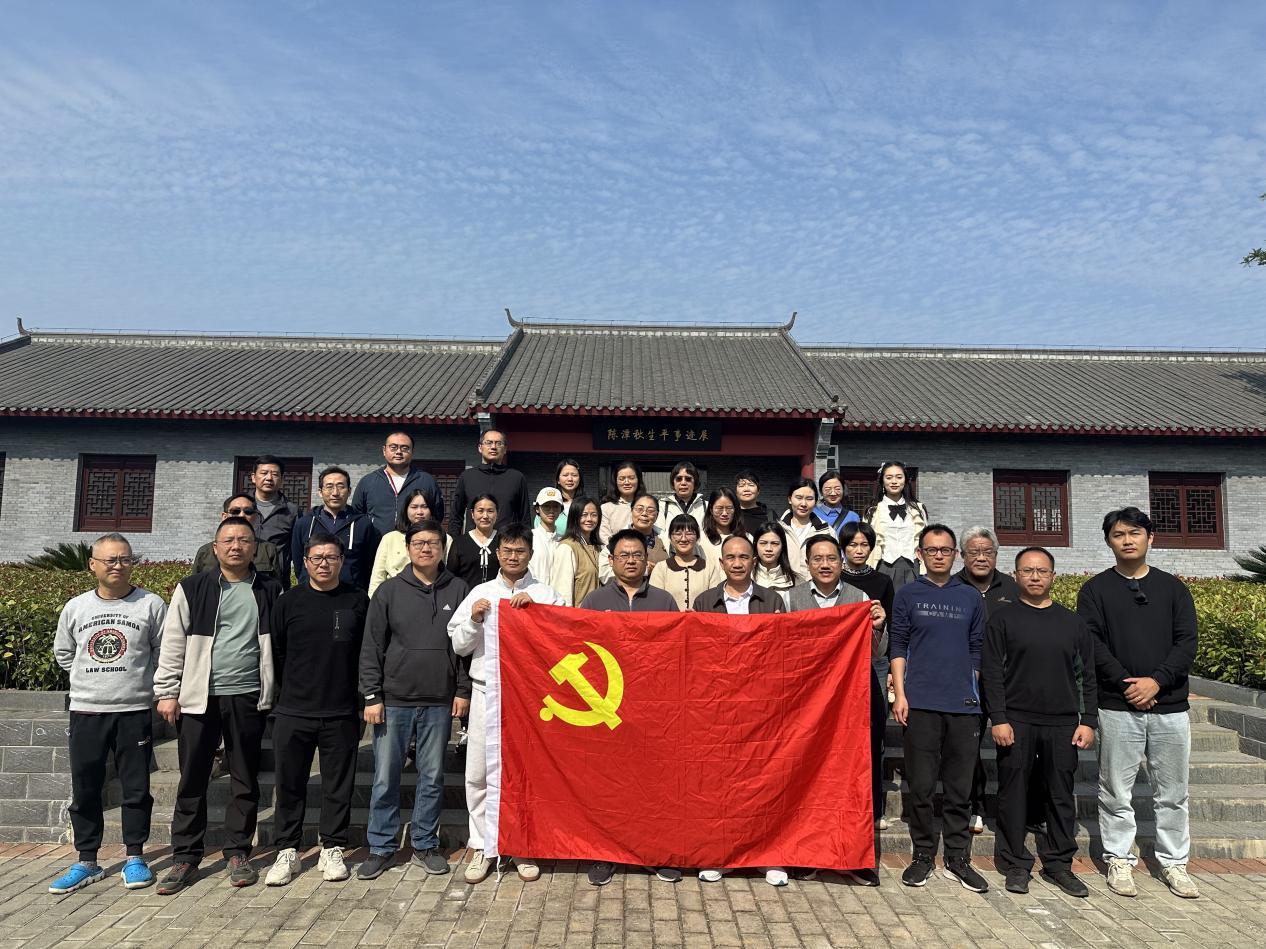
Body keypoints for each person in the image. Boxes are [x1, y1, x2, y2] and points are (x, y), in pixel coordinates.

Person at [152, 517, 284, 895]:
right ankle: (185, 856)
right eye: (228, 540)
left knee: (244, 777)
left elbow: (280, 643)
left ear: (255, 547)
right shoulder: (193, 587)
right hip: (198, 697)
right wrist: (167, 691)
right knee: (192, 778)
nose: (236, 546)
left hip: (248, 696)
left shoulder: (270, 588)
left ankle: (238, 852)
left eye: (244, 540)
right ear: (215, 548)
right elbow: (173, 642)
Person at [1077, 506, 1199, 900]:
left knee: (1173, 791)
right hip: (1117, 705)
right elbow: (1092, 644)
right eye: (1118, 534)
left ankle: (1174, 863)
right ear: (1108, 541)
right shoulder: (1095, 591)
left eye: (1134, 533)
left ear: (1150, 538)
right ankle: (1119, 858)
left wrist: (1156, 681)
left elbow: (1187, 642)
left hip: (1170, 706)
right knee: (1115, 789)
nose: (1127, 540)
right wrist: (1128, 684)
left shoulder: (1173, 589)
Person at [48, 533, 166, 895]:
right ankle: (87, 861)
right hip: (86, 711)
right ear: (93, 565)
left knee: (136, 788)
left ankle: (135, 857)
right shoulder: (76, 607)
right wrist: (92, 680)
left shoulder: (151, 604)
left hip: (133, 711)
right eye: (110, 560)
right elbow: (64, 653)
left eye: (125, 559)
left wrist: (144, 685)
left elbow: (163, 652)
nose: (118, 566)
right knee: (85, 787)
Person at [449, 524, 563, 885]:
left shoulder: (546, 594)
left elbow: (563, 640)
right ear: (497, 553)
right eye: (507, 551)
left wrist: (538, 614)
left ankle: (523, 845)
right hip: (487, 690)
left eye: (520, 551)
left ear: (531, 554)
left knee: (527, 771)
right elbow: (458, 644)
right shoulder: (481, 592)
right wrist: (474, 619)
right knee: (479, 771)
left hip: (530, 696)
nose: (513, 557)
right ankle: (483, 845)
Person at [358, 520, 472, 881]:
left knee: (433, 776)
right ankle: (381, 846)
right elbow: (372, 646)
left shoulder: (459, 588)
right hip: (394, 699)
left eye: (433, 542)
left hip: (439, 699)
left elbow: (466, 647)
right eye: (419, 543)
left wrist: (462, 690)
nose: (426, 548)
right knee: (385, 777)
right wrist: (372, 695)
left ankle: (425, 843)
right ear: (408, 548)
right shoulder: (389, 591)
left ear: (443, 548)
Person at [983, 547, 1097, 898]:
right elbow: (992, 673)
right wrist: (998, 718)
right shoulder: (1002, 620)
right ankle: (1015, 863)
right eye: (1028, 571)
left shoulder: (1072, 623)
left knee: (1060, 794)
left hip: (1062, 723)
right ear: (1015, 575)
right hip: (1016, 720)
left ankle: (1059, 864)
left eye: (1042, 571)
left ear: (1053, 576)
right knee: (1013, 793)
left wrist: (1088, 720)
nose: (1035, 576)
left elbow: (1087, 676)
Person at [264, 534, 370, 887]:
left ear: (342, 560)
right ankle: (287, 850)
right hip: (294, 709)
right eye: (317, 558)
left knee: (338, 785)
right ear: (305, 563)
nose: (324, 563)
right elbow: (277, 651)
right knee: (289, 784)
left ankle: (333, 847)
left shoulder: (357, 600)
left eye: (331, 557)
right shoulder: (288, 601)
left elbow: (365, 651)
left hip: (340, 709)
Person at [889, 524, 989, 893]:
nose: (939, 555)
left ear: (955, 555)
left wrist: (969, 686)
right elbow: (898, 644)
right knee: (921, 786)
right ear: (920, 554)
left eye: (946, 550)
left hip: (963, 706)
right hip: (920, 703)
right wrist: (901, 694)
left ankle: (958, 858)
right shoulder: (908, 594)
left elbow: (977, 648)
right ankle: (922, 855)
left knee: (960, 788)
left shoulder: (970, 596)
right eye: (931, 550)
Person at [580, 529, 680, 887]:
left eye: (637, 554)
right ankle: (605, 854)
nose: (631, 560)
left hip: (653, 709)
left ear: (647, 559)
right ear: (611, 560)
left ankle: (655, 853)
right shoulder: (594, 601)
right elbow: (581, 650)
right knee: (609, 786)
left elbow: (677, 652)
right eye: (623, 555)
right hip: (609, 710)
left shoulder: (664, 601)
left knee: (654, 785)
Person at [787, 534, 887, 887]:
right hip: (806, 703)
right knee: (807, 775)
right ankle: (807, 854)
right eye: (817, 559)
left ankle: (853, 856)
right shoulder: (791, 599)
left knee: (850, 776)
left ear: (842, 562)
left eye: (831, 558)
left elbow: (875, 653)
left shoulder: (859, 599)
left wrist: (878, 627)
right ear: (807, 564)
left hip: (848, 703)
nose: (825, 564)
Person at [693, 533, 787, 886]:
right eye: (730, 557)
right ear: (721, 563)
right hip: (717, 708)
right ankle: (720, 854)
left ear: (754, 561)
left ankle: (768, 856)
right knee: (720, 784)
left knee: (764, 782)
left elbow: (784, 652)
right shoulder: (705, 601)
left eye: (743, 557)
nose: (736, 563)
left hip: (762, 707)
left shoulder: (772, 600)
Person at [957, 526, 1023, 835]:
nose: (981, 558)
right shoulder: (953, 587)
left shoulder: (1012, 588)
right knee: (967, 748)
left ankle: (1015, 810)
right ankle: (976, 806)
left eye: (988, 552)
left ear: (996, 555)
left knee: (1011, 748)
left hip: (1007, 681)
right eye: (974, 552)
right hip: (964, 680)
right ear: (962, 555)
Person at [838, 521, 896, 830]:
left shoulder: (882, 581)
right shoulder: (834, 578)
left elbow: (890, 624)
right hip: (840, 666)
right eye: (852, 545)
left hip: (874, 662)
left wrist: (891, 669)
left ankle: (875, 809)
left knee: (875, 736)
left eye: (864, 545)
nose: (858, 550)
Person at [292, 467, 380, 591]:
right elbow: (298, 562)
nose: (335, 493)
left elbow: (369, 563)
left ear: (349, 491)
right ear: (320, 492)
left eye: (340, 486)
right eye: (329, 486)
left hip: (350, 593)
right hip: (311, 593)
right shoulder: (305, 523)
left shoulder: (363, 524)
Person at [350, 431, 445, 535]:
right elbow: (357, 515)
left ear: (412, 452)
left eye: (404, 448)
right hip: (376, 542)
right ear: (384, 450)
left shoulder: (426, 481)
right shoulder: (368, 481)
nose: (399, 452)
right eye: (393, 447)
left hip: (415, 541)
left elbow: (437, 514)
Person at [369, 487, 450, 596]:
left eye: (425, 507)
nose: (419, 512)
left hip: (432, 595)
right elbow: (377, 577)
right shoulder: (390, 538)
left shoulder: (445, 539)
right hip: (394, 596)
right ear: (406, 509)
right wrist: (375, 601)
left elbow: (448, 573)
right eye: (414, 507)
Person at [190, 494, 285, 585]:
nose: (242, 515)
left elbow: (276, 587)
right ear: (224, 516)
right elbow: (195, 586)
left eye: (248, 511)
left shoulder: (268, 550)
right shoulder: (205, 551)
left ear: (255, 517)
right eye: (235, 511)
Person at [451, 430, 530, 532]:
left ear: (505, 449)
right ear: (480, 448)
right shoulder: (467, 477)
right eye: (489, 443)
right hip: (474, 540)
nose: (493, 447)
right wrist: (454, 539)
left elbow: (524, 518)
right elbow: (456, 515)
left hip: (506, 540)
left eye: (498, 443)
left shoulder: (517, 478)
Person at [866, 461, 928, 590]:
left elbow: (926, 541)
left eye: (899, 477)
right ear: (882, 481)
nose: (894, 481)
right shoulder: (872, 511)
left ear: (905, 480)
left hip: (914, 568)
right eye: (889, 477)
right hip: (883, 567)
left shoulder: (918, 509)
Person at [649, 514, 722, 611]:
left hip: (701, 620)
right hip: (669, 620)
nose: (683, 539)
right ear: (670, 538)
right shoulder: (661, 568)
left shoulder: (709, 568)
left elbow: (714, 602)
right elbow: (655, 602)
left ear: (697, 537)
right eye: (678, 533)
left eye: (689, 533)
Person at [246, 454, 299, 582]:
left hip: (276, 580)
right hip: (242, 575)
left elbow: (298, 549)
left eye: (275, 474)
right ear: (253, 477)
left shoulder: (292, 511)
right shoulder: (241, 507)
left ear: (282, 479)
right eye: (264, 473)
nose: (269, 478)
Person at [550, 496, 610, 606]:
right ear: (574, 517)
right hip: (578, 613)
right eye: (584, 515)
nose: (589, 519)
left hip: (597, 612)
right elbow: (562, 592)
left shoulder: (598, 548)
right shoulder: (567, 547)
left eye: (594, 515)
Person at [778, 478, 833, 582]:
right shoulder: (777, 530)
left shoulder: (827, 531)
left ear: (815, 501)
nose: (803, 504)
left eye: (809, 499)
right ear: (790, 499)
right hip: (783, 587)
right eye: (799, 498)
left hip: (815, 587)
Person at [445, 494, 500, 588]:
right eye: (480, 511)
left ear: (497, 513)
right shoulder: (459, 542)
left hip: (497, 595)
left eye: (490, 511)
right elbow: (451, 575)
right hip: (466, 595)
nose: (485, 516)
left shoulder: (503, 541)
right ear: (472, 513)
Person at [752, 521, 802, 608]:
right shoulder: (745, 578)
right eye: (763, 543)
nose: (768, 549)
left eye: (774, 543)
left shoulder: (797, 582)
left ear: (783, 546)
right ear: (755, 545)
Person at [654, 461, 707, 537]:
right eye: (679, 479)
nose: (683, 483)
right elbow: (659, 534)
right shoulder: (662, 505)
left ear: (695, 482)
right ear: (673, 482)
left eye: (688, 479)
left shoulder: (706, 506)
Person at [695, 487, 745, 568]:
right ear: (711, 510)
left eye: (729, 508)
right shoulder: (700, 539)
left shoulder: (746, 538)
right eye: (719, 508)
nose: (724, 513)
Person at [599, 460, 644, 546]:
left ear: (638, 480)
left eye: (631, 478)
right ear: (615, 481)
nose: (626, 482)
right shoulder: (606, 508)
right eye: (622, 479)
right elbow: (604, 538)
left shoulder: (648, 505)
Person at [534, 458, 584, 535]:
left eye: (574, 475)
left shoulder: (586, 505)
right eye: (565, 475)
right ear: (558, 480)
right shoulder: (545, 503)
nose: (570, 479)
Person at [529, 487, 564, 582]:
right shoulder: (530, 537)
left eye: (556, 506)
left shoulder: (563, 540)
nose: (551, 510)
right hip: (533, 589)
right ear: (537, 509)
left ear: (561, 509)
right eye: (546, 506)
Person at [629, 494, 670, 573]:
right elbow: (606, 571)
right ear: (631, 511)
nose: (644, 514)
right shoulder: (618, 540)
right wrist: (642, 570)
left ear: (657, 515)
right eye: (639, 509)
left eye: (650, 511)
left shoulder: (666, 540)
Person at [814, 469, 860, 535]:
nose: (833, 493)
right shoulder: (812, 514)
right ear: (821, 492)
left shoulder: (853, 517)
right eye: (828, 489)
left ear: (843, 490)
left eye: (837, 489)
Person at [734, 469, 770, 538]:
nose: (746, 489)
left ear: (758, 491)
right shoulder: (731, 515)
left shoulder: (770, 515)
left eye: (751, 485)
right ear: (736, 492)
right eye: (741, 486)